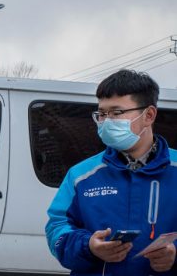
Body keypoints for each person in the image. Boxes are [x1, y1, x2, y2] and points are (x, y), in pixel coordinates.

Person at [46, 70, 177, 274]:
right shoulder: (81, 175)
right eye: (102, 114)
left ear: (149, 115)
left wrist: (174, 254)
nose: (107, 121)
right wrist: (88, 246)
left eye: (116, 113)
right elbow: (57, 228)